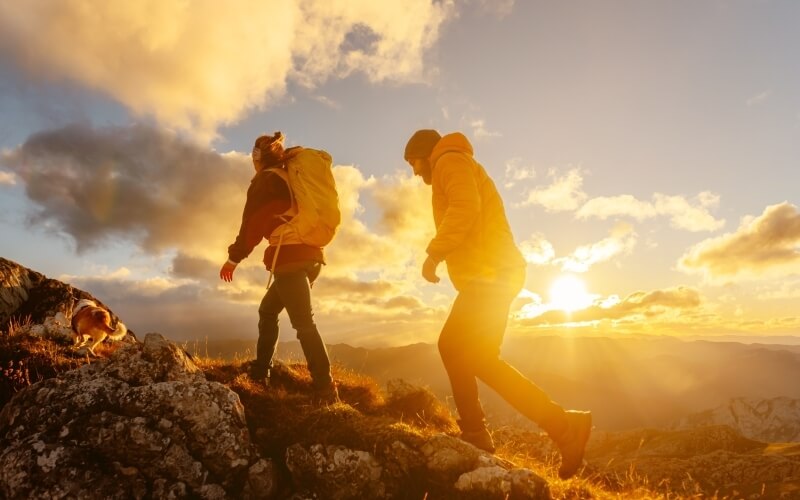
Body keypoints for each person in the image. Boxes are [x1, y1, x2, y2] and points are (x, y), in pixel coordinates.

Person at [403, 129, 592, 479]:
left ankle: (479, 431)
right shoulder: (455, 161)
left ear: (424, 153)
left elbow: (465, 206)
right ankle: (562, 426)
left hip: (492, 275)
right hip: (495, 274)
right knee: (478, 358)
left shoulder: (448, 160)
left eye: (412, 161)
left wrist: (434, 254)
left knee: (453, 346)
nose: (414, 172)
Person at [220, 131, 337, 402]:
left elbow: (252, 223)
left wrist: (234, 258)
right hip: (310, 256)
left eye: (253, 155)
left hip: (289, 259)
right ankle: (261, 372)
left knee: (304, 324)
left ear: (257, 157)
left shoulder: (266, 180)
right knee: (268, 310)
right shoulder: (289, 176)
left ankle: (325, 388)